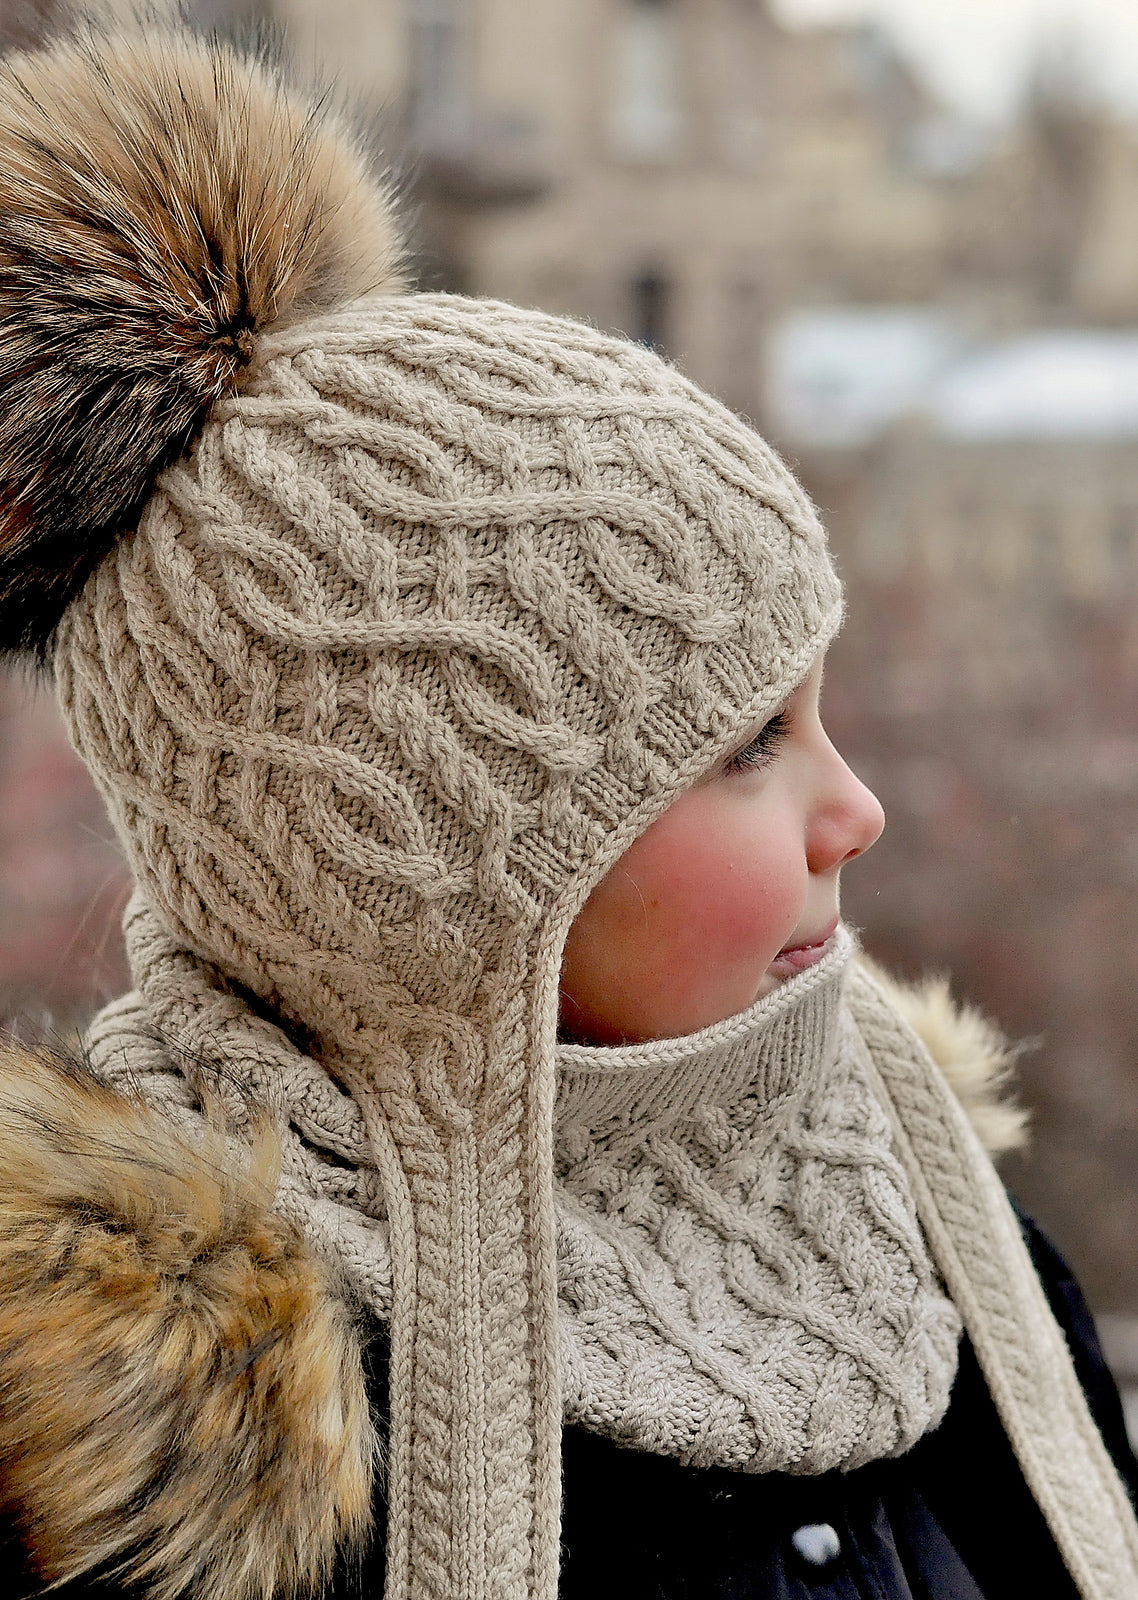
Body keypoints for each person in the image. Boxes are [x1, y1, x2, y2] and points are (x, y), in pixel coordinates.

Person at [0, 20, 1132, 1600]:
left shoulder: (935, 1224)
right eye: (744, 745)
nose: (855, 810)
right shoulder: (206, 1470)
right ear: (422, 884)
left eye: (821, 713)